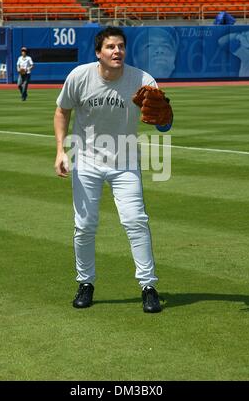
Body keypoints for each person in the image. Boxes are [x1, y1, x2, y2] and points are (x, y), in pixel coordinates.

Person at [54, 26, 162, 313]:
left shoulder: (142, 80)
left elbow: (162, 122)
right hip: (85, 161)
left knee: (135, 221)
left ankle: (148, 287)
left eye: (121, 46)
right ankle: (85, 283)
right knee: (85, 225)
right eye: (111, 47)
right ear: (98, 52)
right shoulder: (79, 76)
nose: (117, 51)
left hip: (125, 163)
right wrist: (60, 151)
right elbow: (62, 110)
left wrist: (163, 118)